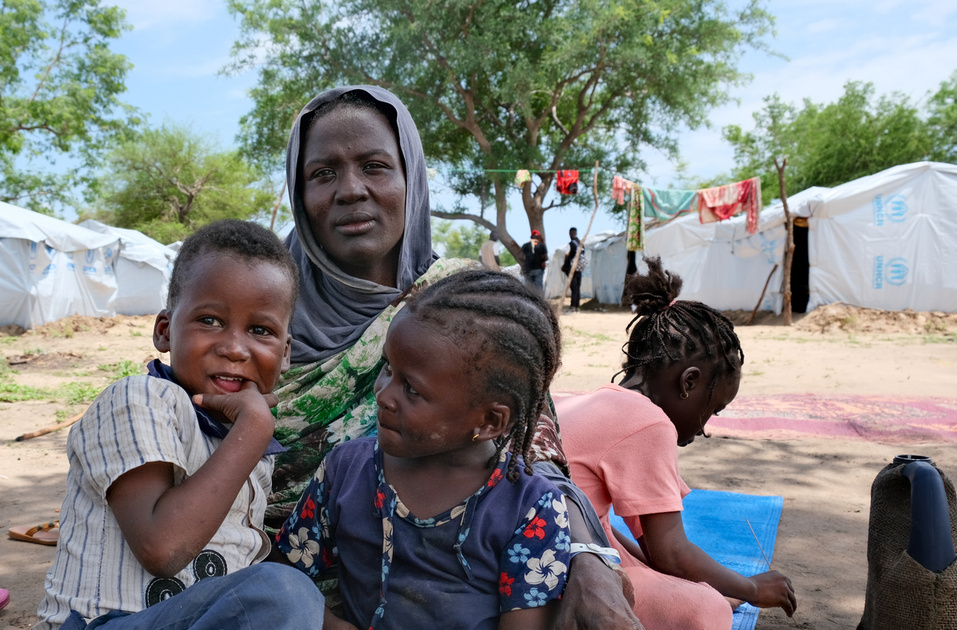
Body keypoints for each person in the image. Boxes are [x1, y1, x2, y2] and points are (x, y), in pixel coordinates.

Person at [272, 84, 642, 629]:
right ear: (298, 191)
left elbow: (532, 452)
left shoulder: (462, 308)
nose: (350, 190)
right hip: (279, 578)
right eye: (322, 173)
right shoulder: (254, 309)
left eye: (374, 166)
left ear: (411, 177)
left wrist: (589, 558)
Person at [35, 220, 324, 630]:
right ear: (164, 330)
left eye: (260, 330)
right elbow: (162, 547)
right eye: (210, 321)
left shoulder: (237, 435)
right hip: (105, 624)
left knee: (292, 592)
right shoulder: (137, 400)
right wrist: (253, 431)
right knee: (284, 592)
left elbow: (242, 552)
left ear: (286, 353)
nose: (234, 348)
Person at [277, 270, 585, 629]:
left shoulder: (530, 508)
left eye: (411, 389)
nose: (383, 395)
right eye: (388, 369)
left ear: (490, 422)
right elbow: (285, 584)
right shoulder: (345, 471)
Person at [556, 256, 798, 630]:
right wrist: (750, 587)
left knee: (682, 584)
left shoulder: (591, 401)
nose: (705, 428)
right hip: (556, 567)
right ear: (689, 382)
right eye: (712, 409)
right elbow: (671, 553)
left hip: (536, 544)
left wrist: (690, 579)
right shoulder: (647, 421)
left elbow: (630, 541)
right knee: (706, 611)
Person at [561, 227, 585, 311]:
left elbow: (567, 256)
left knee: (574, 287)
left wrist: (564, 266)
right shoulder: (581, 244)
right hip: (579, 269)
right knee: (577, 287)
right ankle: (577, 306)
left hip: (572, 269)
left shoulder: (570, 244)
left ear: (571, 234)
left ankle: (573, 306)